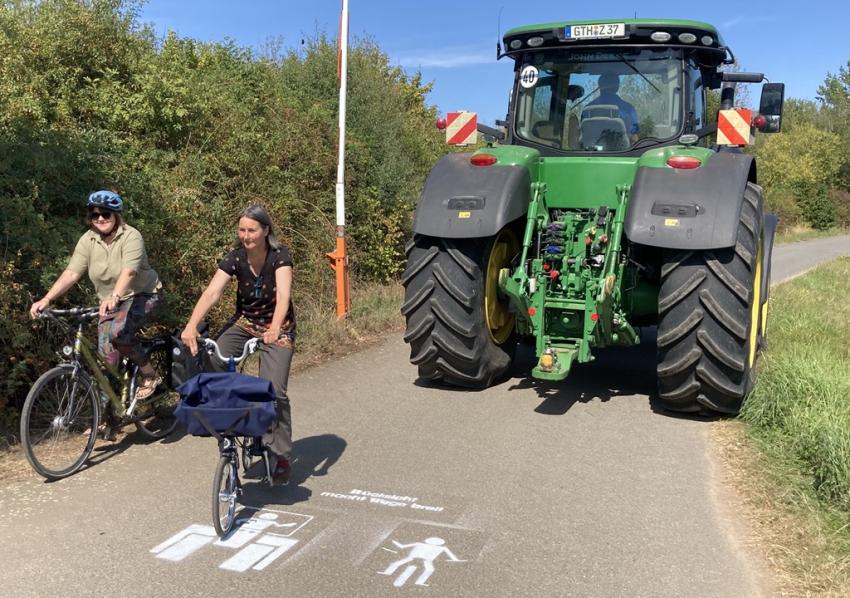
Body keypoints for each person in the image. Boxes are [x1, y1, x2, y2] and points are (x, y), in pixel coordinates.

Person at [181, 205, 296, 485]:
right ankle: (235, 420)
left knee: (275, 391)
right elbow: (212, 292)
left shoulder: (279, 257)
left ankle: (279, 453)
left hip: (277, 327)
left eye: (252, 230)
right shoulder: (235, 258)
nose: (246, 236)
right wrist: (191, 325)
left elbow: (283, 297)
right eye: (242, 230)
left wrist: (274, 328)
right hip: (245, 323)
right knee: (214, 361)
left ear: (266, 230)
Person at [30, 190, 165, 400]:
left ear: (116, 216)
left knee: (118, 334)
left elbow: (129, 271)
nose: (100, 218)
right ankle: (105, 417)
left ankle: (150, 375)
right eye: (95, 215)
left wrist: (115, 296)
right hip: (112, 303)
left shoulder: (131, 236)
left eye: (106, 214)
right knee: (105, 359)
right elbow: (72, 273)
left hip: (143, 295)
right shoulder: (88, 240)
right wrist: (46, 299)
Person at [585, 73, 640, 143]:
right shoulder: (628, 109)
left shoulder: (587, 109)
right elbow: (634, 137)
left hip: (591, 152)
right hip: (623, 152)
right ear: (617, 87)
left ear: (599, 86)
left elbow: (582, 134)